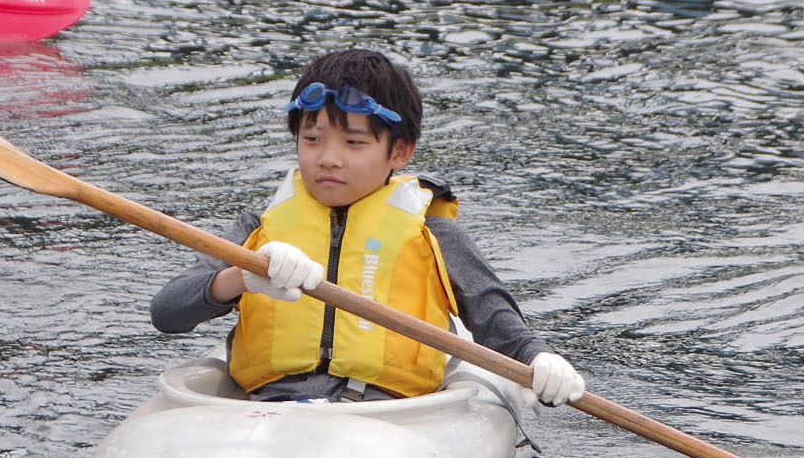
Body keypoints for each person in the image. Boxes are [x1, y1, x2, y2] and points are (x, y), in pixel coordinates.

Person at [152, 47, 587, 408]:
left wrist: (539, 358)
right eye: (312, 139)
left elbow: (495, 321)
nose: (328, 158)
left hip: (391, 415)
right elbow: (166, 313)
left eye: (354, 143)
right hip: (272, 410)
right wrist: (242, 276)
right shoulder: (257, 230)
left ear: (399, 152)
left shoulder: (433, 233)